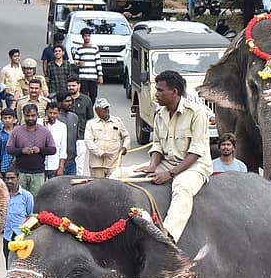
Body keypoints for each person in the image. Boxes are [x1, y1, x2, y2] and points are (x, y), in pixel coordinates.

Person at [135, 70, 212, 241]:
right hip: (166, 163)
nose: (156, 94)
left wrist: (170, 174)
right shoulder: (160, 113)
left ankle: (166, 237)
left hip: (194, 166)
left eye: (160, 90)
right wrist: (153, 165)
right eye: (157, 89)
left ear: (175, 92)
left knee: (182, 187)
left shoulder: (197, 112)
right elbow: (157, 144)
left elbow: (196, 151)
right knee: (121, 174)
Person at [7, 104, 57, 197]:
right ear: (23, 115)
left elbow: (53, 149)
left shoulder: (44, 131)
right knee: (20, 199)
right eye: (27, 116)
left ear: (37, 115)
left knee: (36, 200)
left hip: (38, 173)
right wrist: (22, 151)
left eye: (33, 116)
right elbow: (9, 149)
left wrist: (40, 150)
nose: (30, 118)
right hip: (20, 173)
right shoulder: (17, 131)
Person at [84, 99, 129, 178]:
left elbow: (126, 136)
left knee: (113, 186)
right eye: (103, 108)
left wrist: (125, 147)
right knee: (98, 187)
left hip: (114, 163)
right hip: (97, 164)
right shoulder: (91, 124)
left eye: (107, 107)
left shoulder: (117, 121)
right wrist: (101, 153)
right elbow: (88, 142)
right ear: (97, 110)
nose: (106, 110)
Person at [3, 169, 35, 261]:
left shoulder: (26, 196)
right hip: (7, 235)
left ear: (18, 178)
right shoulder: (3, 195)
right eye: (7, 178)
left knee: (21, 262)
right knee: (8, 261)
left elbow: (30, 215)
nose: (9, 181)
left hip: (21, 235)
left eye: (12, 178)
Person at [66, 76, 95, 176]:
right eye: (69, 85)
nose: (71, 88)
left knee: (79, 163)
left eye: (73, 85)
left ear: (79, 86)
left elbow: (90, 119)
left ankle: (78, 182)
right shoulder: (64, 100)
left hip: (81, 137)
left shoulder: (86, 100)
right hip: (66, 137)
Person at [75, 28, 103, 100]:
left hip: (93, 76)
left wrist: (100, 75)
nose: (87, 38)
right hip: (83, 77)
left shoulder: (95, 48)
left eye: (88, 36)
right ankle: (85, 110)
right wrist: (78, 63)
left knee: (93, 96)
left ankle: (90, 108)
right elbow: (75, 61)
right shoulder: (79, 48)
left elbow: (98, 62)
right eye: (85, 36)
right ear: (82, 37)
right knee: (84, 95)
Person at [56, 92, 80, 175]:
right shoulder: (55, 118)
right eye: (67, 101)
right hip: (57, 162)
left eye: (70, 101)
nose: (70, 103)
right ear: (60, 103)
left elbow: (76, 137)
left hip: (72, 161)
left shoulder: (74, 117)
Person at [43, 102, 67, 179]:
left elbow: (63, 148)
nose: (52, 115)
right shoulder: (38, 123)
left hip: (54, 165)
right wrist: (45, 126)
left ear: (59, 113)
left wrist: (61, 167)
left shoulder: (62, 126)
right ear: (46, 112)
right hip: (40, 165)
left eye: (55, 113)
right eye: (50, 113)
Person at [0, 108, 18, 178]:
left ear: (14, 119)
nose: (7, 120)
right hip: (4, 166)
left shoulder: (19, 132)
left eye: (10, 118)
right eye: (5, 118)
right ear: (1, 120)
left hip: (18, 165)